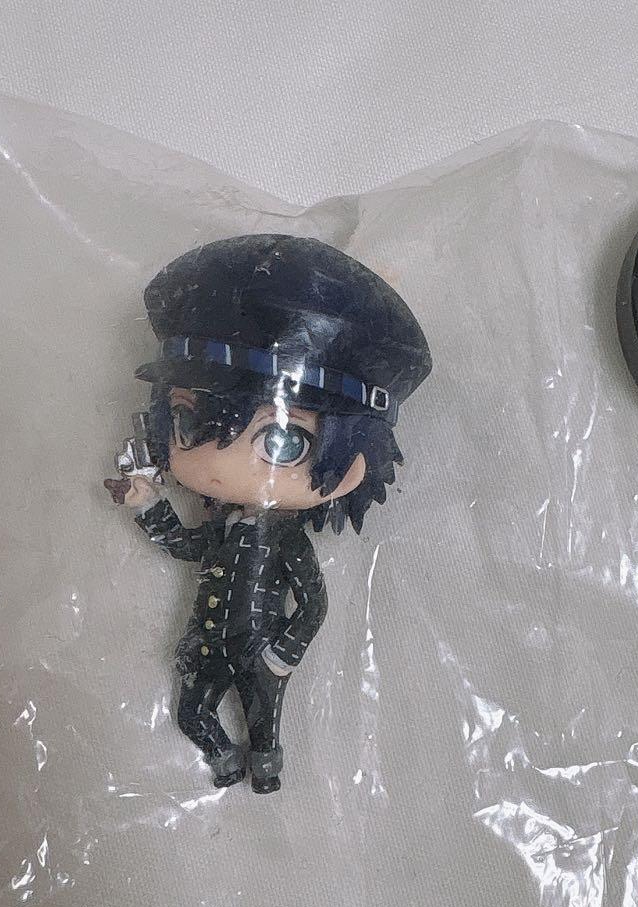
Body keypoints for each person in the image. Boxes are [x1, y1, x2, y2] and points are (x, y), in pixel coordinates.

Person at [105, 234, 431, 793]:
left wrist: (283, 655)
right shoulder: (225, 526)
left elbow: (313, 600)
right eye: (188, 424)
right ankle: (225, 764)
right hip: (206, 647)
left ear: (355, 460)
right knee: (191, 714)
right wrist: (148, 503)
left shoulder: (283, 537)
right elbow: (187, 547)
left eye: (284, 442)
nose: (216, 464)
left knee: (264, 728)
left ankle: (264, 774)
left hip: (262, 650)